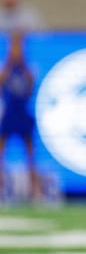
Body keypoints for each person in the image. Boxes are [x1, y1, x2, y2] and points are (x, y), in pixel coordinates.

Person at [0, 32, 42, 201]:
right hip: (9, 115)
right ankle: (2, 188)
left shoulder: (28, 69)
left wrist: (21, 63)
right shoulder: (6, 68)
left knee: (31, 155)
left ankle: (35, 191)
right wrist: (10, 62)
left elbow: (30, 87)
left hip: (23, 114)